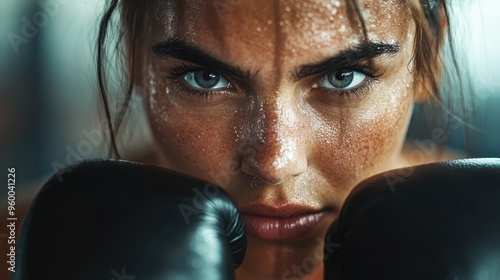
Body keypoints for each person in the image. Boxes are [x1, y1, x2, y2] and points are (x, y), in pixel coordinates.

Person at [4, 0, 457, 280]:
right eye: (206, 79)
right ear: (135, 52)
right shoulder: (14, 244)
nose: (275, 162)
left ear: (427, 58)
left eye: (343, 77)